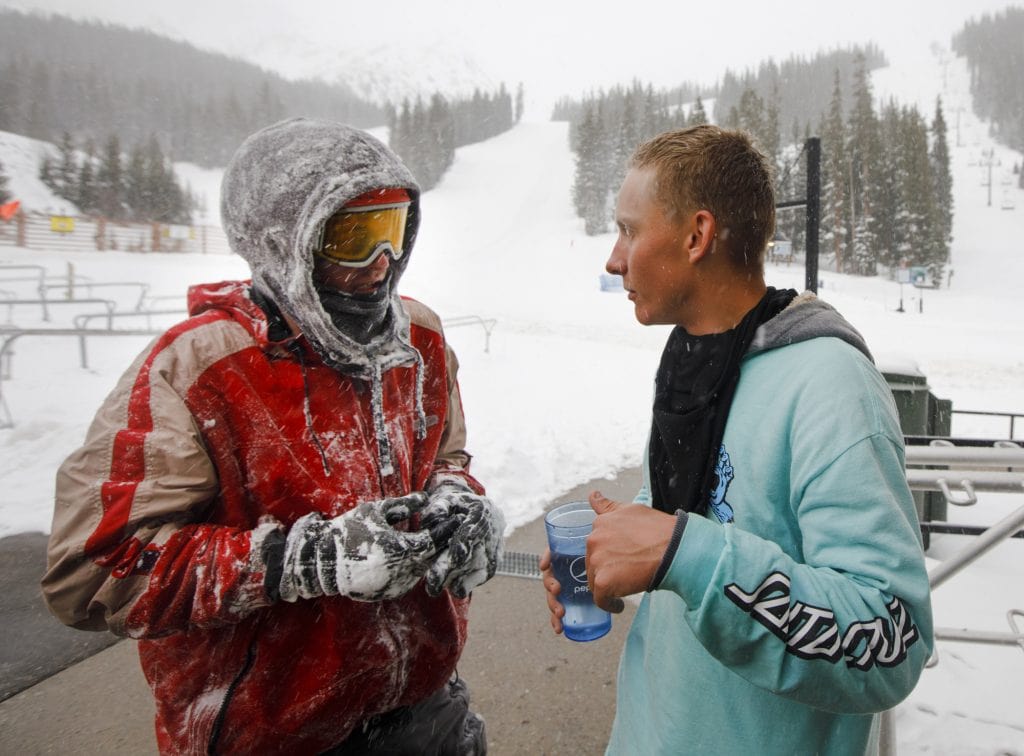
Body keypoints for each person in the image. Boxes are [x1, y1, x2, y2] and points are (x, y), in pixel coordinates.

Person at [42, 117, 503, 755]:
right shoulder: (200, 371)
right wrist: (297, 563)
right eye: (352, 238)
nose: (382, 265)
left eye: (393, 232)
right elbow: (92, 570)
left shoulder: (416, 339)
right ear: (285, 244)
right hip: (271, 731)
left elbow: (444, 455)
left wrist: (459, 500)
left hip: (421, 699)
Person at [541, 125, 934, 754]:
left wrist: (685, 554)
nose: (614, 260)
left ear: (697, 236)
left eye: (629, 230)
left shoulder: (830, 385)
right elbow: (680, 535)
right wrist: (616, 557)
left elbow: (891, 640)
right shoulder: (693, 362)